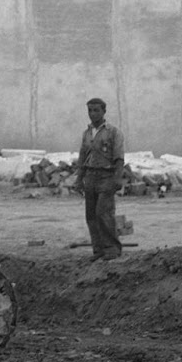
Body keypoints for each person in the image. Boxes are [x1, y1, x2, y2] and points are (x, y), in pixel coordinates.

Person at [77, 97, 126, 260]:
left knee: (103, 213)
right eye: (90, 110)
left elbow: (119, 157)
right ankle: (98, 250)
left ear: (104, 111)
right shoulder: (87, 133)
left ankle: (112, 249)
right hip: (90, 176)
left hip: (106, 176)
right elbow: (82, 157)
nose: (92, 114)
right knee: (90, 215)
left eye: (96, 110)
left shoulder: (113, 132)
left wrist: (118, 178)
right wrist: (79, 179)